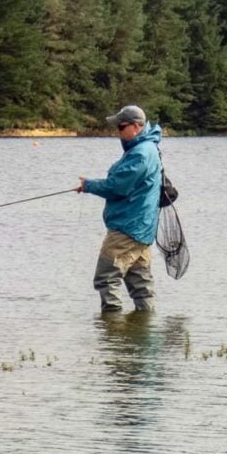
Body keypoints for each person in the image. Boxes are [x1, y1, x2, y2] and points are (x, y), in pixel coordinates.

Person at [77, 104, 162, 313]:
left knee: (106, 278)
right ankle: (143, 335)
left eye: (121, 127)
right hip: (141, 229)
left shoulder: (141, 153)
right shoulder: (147, 148)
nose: (118, 132)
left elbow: (117, 187)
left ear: (135, 127)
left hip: (127, 228)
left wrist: (89, 185)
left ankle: (113, 331)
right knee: (141, 285)